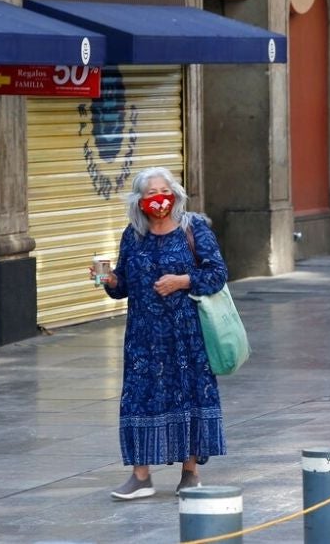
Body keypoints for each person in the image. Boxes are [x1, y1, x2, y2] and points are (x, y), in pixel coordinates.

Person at [90, 166, 228, 500]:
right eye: (150, 193)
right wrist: (110, 282)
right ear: (139, 201)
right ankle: (140, 477)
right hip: (142, 337)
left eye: (163, 191)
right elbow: (123, 285)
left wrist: (182, 281)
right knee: (138, 398)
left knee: (190, 397)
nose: (158, 199)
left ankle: (190, 473)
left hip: (187, 337)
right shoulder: (133, 235)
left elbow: (218, 273)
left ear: (176, 194)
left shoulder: (193, 228)